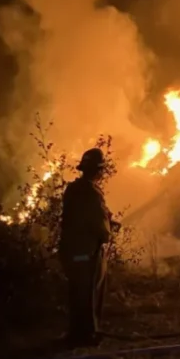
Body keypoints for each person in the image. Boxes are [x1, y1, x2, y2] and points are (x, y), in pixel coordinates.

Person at [59, 147, 118, 347]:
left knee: (77, 292)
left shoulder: (73, 189)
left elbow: (80, 217)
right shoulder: (92, 193)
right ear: (99, 170)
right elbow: (99, 225)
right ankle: (88, 335)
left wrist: (108, 222)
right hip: (88, 252)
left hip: (71, 250)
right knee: (91, 292)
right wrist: (108, 231)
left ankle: (76, 332)